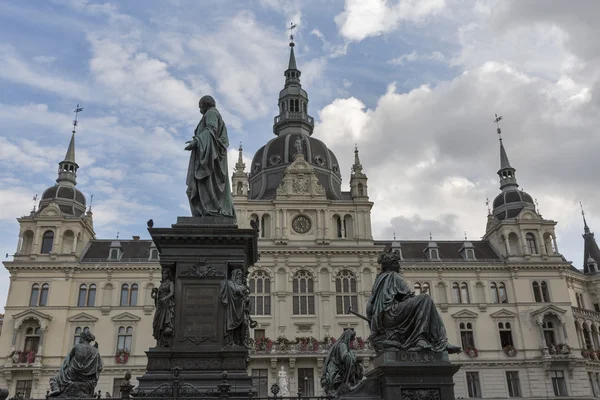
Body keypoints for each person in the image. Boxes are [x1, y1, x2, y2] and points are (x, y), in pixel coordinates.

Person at [366, 247, 461, 354]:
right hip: (392, 314)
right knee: (425, 299)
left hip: (382, 320)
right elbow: (408, 295)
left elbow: (369, 308)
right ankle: (436, 341)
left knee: (423, 303)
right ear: (395, 265)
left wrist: (374, 328)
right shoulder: (395, 276)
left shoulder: (377, 281)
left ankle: (423, 340)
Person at [185, 95, 235, 218]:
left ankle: (209, 211)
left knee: (196, 190)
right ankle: (204, 212)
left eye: (200, 107)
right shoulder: (215, 115)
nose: (200, 110)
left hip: (209, 161)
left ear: (204, 105)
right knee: (193, 191)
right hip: (210, 157)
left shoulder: (211, 113)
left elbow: (210, 130)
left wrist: (196, 141)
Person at [48, 329, 103, 397]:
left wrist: (65, 370)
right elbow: (99, 366)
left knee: (54, 379)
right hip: (86, 378)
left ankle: (56, 389)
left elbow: (68, 360)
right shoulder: (95, 350)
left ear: (83, 338)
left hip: (72, 374)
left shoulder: (77, 346)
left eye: (81, 337)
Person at [320, 329, 364, 395]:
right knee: (359, 367)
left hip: (334, 368)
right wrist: (354, 358)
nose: (351, 342)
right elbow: (345, 357)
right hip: (337, 371)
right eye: (351, 339)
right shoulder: (342, 345)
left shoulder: (338, 344)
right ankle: (355, 385)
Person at [220, 269, 257, 347]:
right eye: (238, 275)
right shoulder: (230, 283)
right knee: (232, 325)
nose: (239, 277)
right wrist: (242, 293)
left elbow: (247, 296)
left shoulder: (242, 286)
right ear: (234, 275)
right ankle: (231, 341)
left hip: (242, 309)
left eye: (240, 275)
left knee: (245, 323)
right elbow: (235, 290)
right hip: (233, 308)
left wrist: (246, 299)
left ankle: (242, 341)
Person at [151, 268, 175, 347]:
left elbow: (172, 293)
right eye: (163, 274)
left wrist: (166, 297)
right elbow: (157, 295)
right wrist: (154, 292)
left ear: (168, 275)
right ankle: (159, 340)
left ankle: (163, 342)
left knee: (163, 322)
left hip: (166, 304)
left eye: (165, 274)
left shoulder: (170, 283)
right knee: (156, 322)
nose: (164, 275)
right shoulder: (161, 284)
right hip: (160, 304)